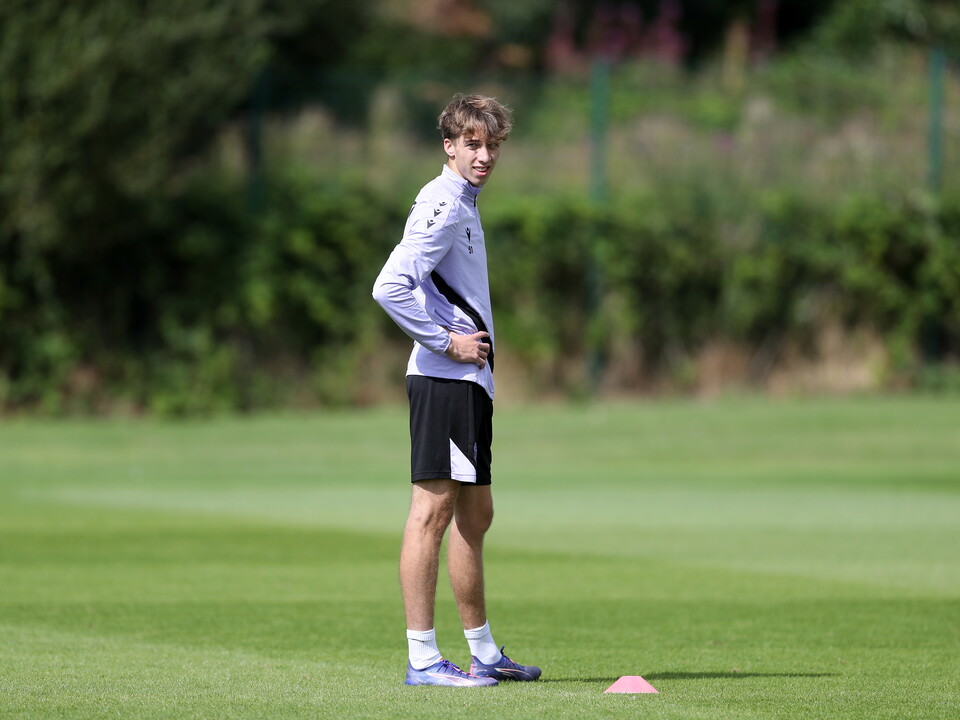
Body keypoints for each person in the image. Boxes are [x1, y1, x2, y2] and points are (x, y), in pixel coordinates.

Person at [372, 94, 542, 688]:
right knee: (432, 514)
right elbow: (390, 287)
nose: (485, 154)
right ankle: (423, 658)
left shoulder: (463, 202)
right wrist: (448, 343)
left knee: (477, 514)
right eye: (473, 143)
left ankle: (484, 652)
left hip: (469, 385)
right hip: (444, 382)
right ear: (449, 145)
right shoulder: (443, 203)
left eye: (493, 144)